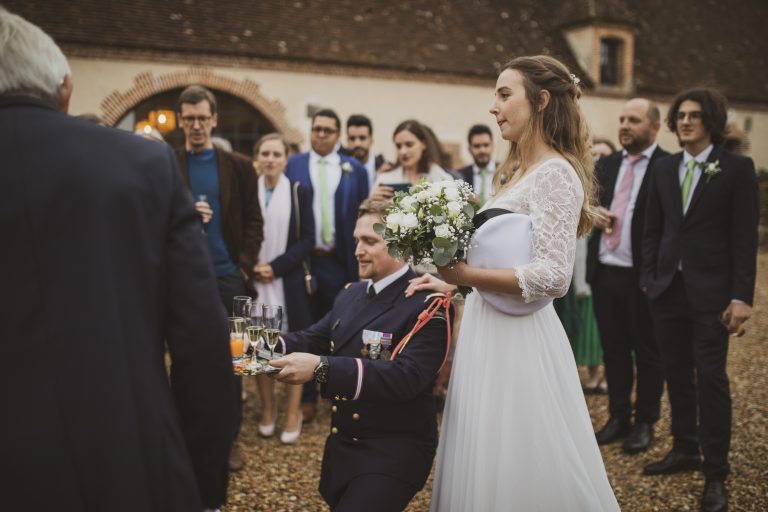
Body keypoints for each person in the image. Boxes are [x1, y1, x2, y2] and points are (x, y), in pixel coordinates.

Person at [0, 8, 236, 511]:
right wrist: (199, 482)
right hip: (123, 457)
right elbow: (200, 343)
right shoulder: (142, 164)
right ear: (65, 89)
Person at [408, 55, 619, 510]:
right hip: (489, 325)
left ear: (541, 101)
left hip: (520, 340)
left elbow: (554, 275)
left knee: (521, 454)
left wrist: (465, 275)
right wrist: (454, 286)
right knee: (484, 447)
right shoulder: (518, 172)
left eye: (505, 94)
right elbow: (505, 256)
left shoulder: (557, 174)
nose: (494, 106)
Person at [269, 199, 450, 512]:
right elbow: (313, 337)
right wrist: (260, 348)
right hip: (344, 445)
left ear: (400, 246)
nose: (357, 251)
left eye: (370, 241)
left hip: (394, 449)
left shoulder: (426, 306)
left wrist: (320, 369)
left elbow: (405, 378)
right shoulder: (352, 292)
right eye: (356, 241)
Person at [641, 88, 759, 512]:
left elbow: (744, 239)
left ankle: (716, 473)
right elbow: (652, 228)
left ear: (711, 120)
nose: (686, 121)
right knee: (676, 373)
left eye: (694, 115)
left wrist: (740, 296)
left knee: (711, 380)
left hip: (712, 295)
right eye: (681, 115)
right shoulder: (664, 169)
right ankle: (684, 447)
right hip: (667, 292)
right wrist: (649, 278)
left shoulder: (737, 169)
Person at [174, 84, 264, 471]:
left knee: (236, 360)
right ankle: (186, 434)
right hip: (184, 279)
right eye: (188, 118)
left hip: (230, 277)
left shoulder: (239, 166)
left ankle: (228, 439)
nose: (196, 125)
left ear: (214, 120)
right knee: (186, 358)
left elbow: (254, 222)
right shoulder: (168, 162)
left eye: (201, 118)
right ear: (181, 121)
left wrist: (243, 266)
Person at [587, 98, 668, 454]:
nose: (624, 125)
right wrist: (594, 213)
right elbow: (587, 204)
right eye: (621, 119)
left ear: (654, 126)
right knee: (614, 350)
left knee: (648, 353)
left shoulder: (668, 167)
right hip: (605, 272)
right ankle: (618, 416)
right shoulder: (608, 163)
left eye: (633, 120)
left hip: (643, 277)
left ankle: (645, 421)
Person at [284, 108, 369, 422]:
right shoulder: (293, 164)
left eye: (328, 130)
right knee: (304, 327)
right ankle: (305, 399)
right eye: (316, 129)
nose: (321, 134)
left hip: (340, 259)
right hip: (304, 261)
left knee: (342, 327)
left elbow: (363, 214)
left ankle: (338, 391)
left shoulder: (355, 169)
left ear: (338, 135)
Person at [251, 133, 314, 444]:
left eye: (276, 154)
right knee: (259, 348)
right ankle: (268, 410)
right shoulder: (249, 189)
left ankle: (293, 412)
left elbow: (307, 240)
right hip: (254, 281)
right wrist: (250, 264)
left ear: (286, 158)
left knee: (291, 347)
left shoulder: (299, 191)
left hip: (285, 281)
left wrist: (274, 267)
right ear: (257, 157)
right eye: (265, 153)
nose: (270, 159)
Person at [369, 119, 454, 201]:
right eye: (398, 146)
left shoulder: (441, 178)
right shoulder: (385, 178)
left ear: (424, 144)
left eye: (409, 145)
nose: (403, 151)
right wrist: (372, 201)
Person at [342, 114, 391, 190]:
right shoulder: (339, 167)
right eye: (352, 138)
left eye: (362, 138)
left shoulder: (384, 166)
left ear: (371, 140)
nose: (357, 143)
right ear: (347, 140)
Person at [453, 124, 498, 205]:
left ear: (493, 146)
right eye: (477, 146)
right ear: (469, 149)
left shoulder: (507, 170)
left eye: (486, 145)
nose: (482, 150)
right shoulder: (459, 175)